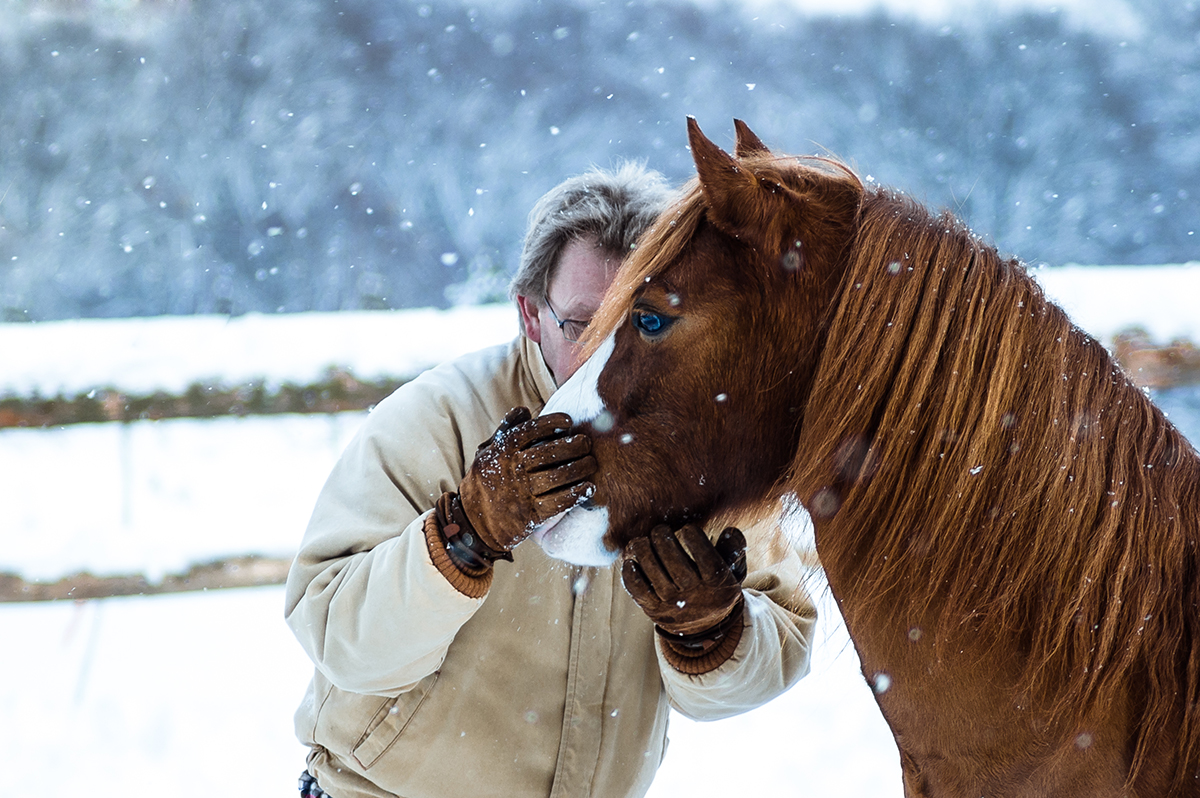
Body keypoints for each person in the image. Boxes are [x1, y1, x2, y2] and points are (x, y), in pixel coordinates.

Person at [284, 163, 818, 798]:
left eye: (639, 324)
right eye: (585, 325)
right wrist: (464, 535)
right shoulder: (438, 418)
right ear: (530, 315)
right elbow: (340, 640)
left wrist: (708, 631)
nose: (607, 357)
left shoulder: (698, 435)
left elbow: (776, 648)